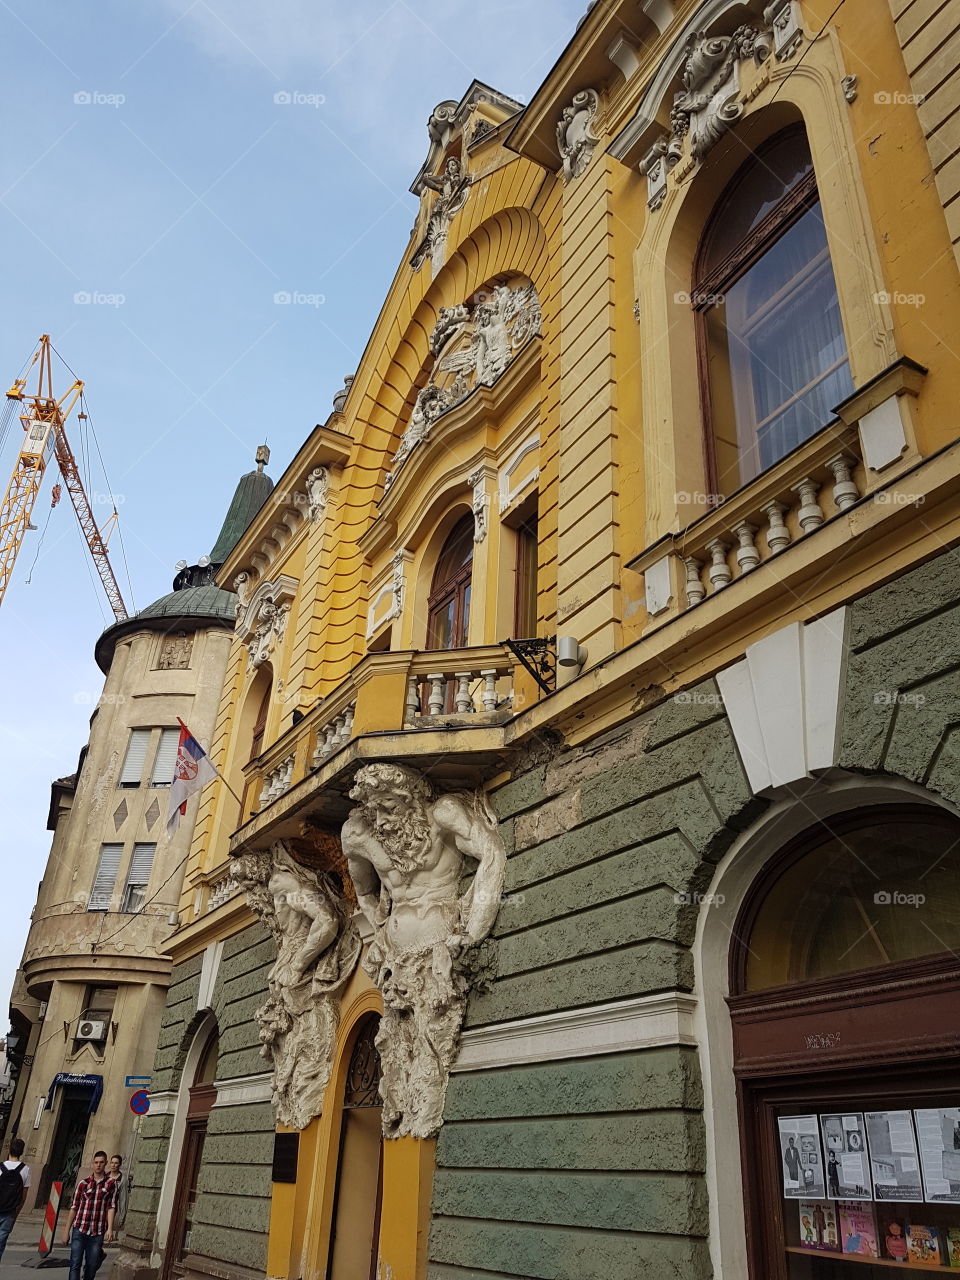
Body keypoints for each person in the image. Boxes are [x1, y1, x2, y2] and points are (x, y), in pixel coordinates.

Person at [61, 1151, 116, 1280]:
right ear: (93, 1164)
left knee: (91, 1266)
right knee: (75, 1264)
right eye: (96, 1162)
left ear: (106, 1163)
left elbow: (111, 1207)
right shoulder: (83, 1184)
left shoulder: (111, 1184)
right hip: (80, 1229)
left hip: (97, 1232)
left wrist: (110, 1229)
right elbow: (74, 1208)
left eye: (101, 1162)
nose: (98, 1165)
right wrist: (66, 1231)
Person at [0, 1137, 31, 1261]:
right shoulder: (25, 1170)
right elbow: (23, 1197)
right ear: (21, 1152)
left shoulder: (1, 1167)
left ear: (9, 1150)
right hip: (10, 1212)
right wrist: (16, 1213)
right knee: (1, 1244)